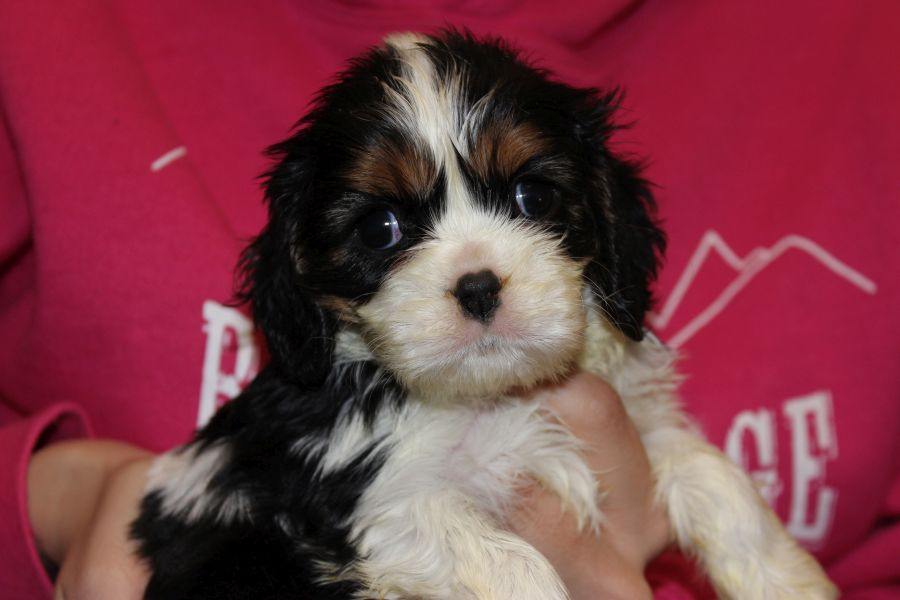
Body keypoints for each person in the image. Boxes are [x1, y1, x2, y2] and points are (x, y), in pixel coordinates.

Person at [2, 2, 898, 599]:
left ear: (603, 219)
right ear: (307, 279)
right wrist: (56, 497)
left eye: (532, 199)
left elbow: (663, 450)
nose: (476, 270)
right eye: (386, 233)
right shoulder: (358, 420)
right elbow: (399, 523)